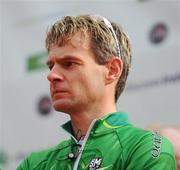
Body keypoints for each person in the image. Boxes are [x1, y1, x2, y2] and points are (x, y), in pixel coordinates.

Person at [17, 14, 176, 170]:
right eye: (51, 66)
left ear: (112, 70)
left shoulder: (145, 148)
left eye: (69, 63)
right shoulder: (35, 164)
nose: (52, 75)